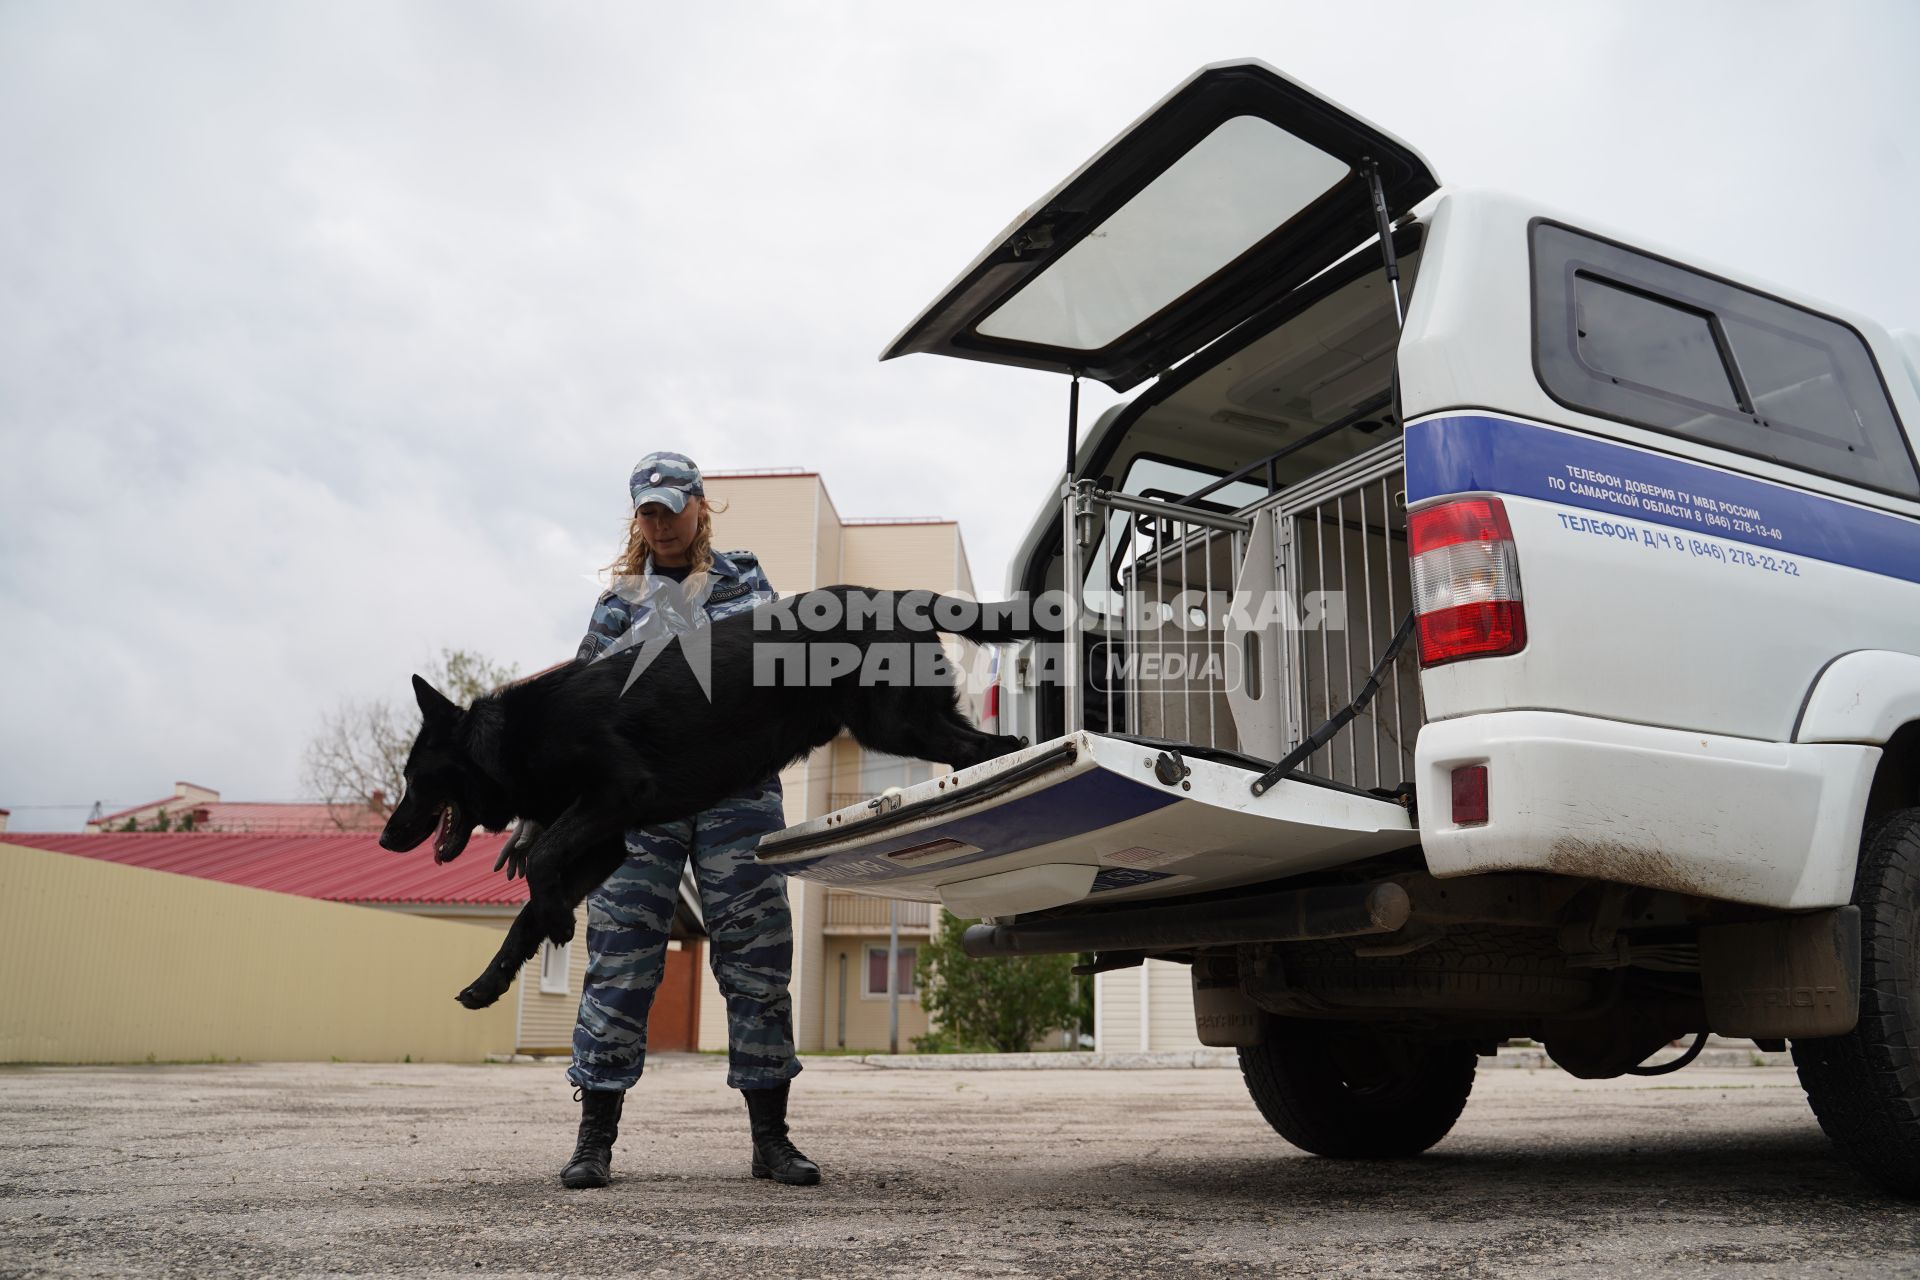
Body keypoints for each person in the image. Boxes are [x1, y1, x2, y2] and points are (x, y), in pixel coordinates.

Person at [549, 449, 818, 1191]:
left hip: (737, 799)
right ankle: (594, 1140)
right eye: (649, 512)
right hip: (641, 806)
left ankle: (772, 1141)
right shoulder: (618, 605)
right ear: (638, 518)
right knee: (620, 962)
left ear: (703, 504)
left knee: (757, 960)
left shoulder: (748, 584)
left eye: (674, 507)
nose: (662, 524)